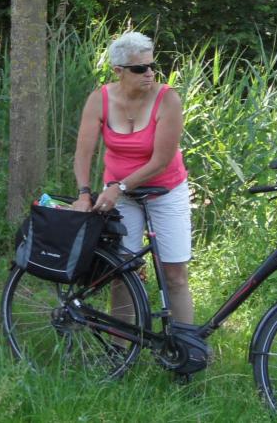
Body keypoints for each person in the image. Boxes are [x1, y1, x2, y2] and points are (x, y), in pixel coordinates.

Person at [72, 31, 194, 324]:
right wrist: (84, 193)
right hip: (119, 193)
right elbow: (83, 152)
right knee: (121, 271)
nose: (149, 73)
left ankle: (187, 345)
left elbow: (161, 161)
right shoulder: (100, 99)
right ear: (119, 71)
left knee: (174, 274)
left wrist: (120, 187)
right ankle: (121, 347)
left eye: (153, 66)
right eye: (140, 68)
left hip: (165, 191)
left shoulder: (168, 100)